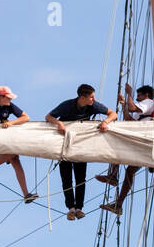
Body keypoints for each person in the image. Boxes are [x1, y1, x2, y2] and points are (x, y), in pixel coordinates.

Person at [46, 84, 116, 220]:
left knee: (80, 178)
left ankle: (79, 208)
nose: (93, 99)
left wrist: (105, 122)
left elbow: (113, 114)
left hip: (81, 145)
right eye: (91, 97)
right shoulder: (67, 105)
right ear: (82, 97)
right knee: (66, 178)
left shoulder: (93, 105)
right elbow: (48, 117)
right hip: (64, 145)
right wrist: (59, 123)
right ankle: (70, 208)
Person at [98, 83, 154, 217]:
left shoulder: (149, 102)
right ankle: (118, 205)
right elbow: (128, 119)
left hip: (145, 143)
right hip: (142, 144)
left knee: (117, 145)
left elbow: (132, 108)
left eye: (139, 95)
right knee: (130, 171)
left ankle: (113, 175)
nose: (137, 98)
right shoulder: (143, 110)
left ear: (146, 95)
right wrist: (124, 104)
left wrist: (129, 94)